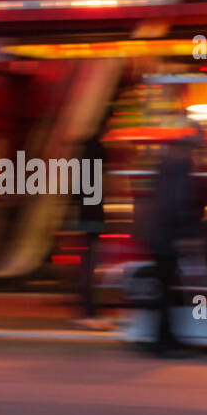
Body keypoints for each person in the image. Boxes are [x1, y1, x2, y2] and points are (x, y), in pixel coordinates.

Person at [143, 125, 204, 356]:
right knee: (168, 289)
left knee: (166, 289)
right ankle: (164, 340)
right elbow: (177, 202)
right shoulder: (182, 163)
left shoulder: (168, 159)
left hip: (159, 233)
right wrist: (186, 234)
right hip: (167, 236)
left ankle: (165, 338)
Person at [73, 116, 110, 329]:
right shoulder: (97, 151)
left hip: (85, 216)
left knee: (87, 264)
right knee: (91, 265)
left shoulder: (84, 155)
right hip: (93, 217)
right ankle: (89, 311)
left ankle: (87, 310)